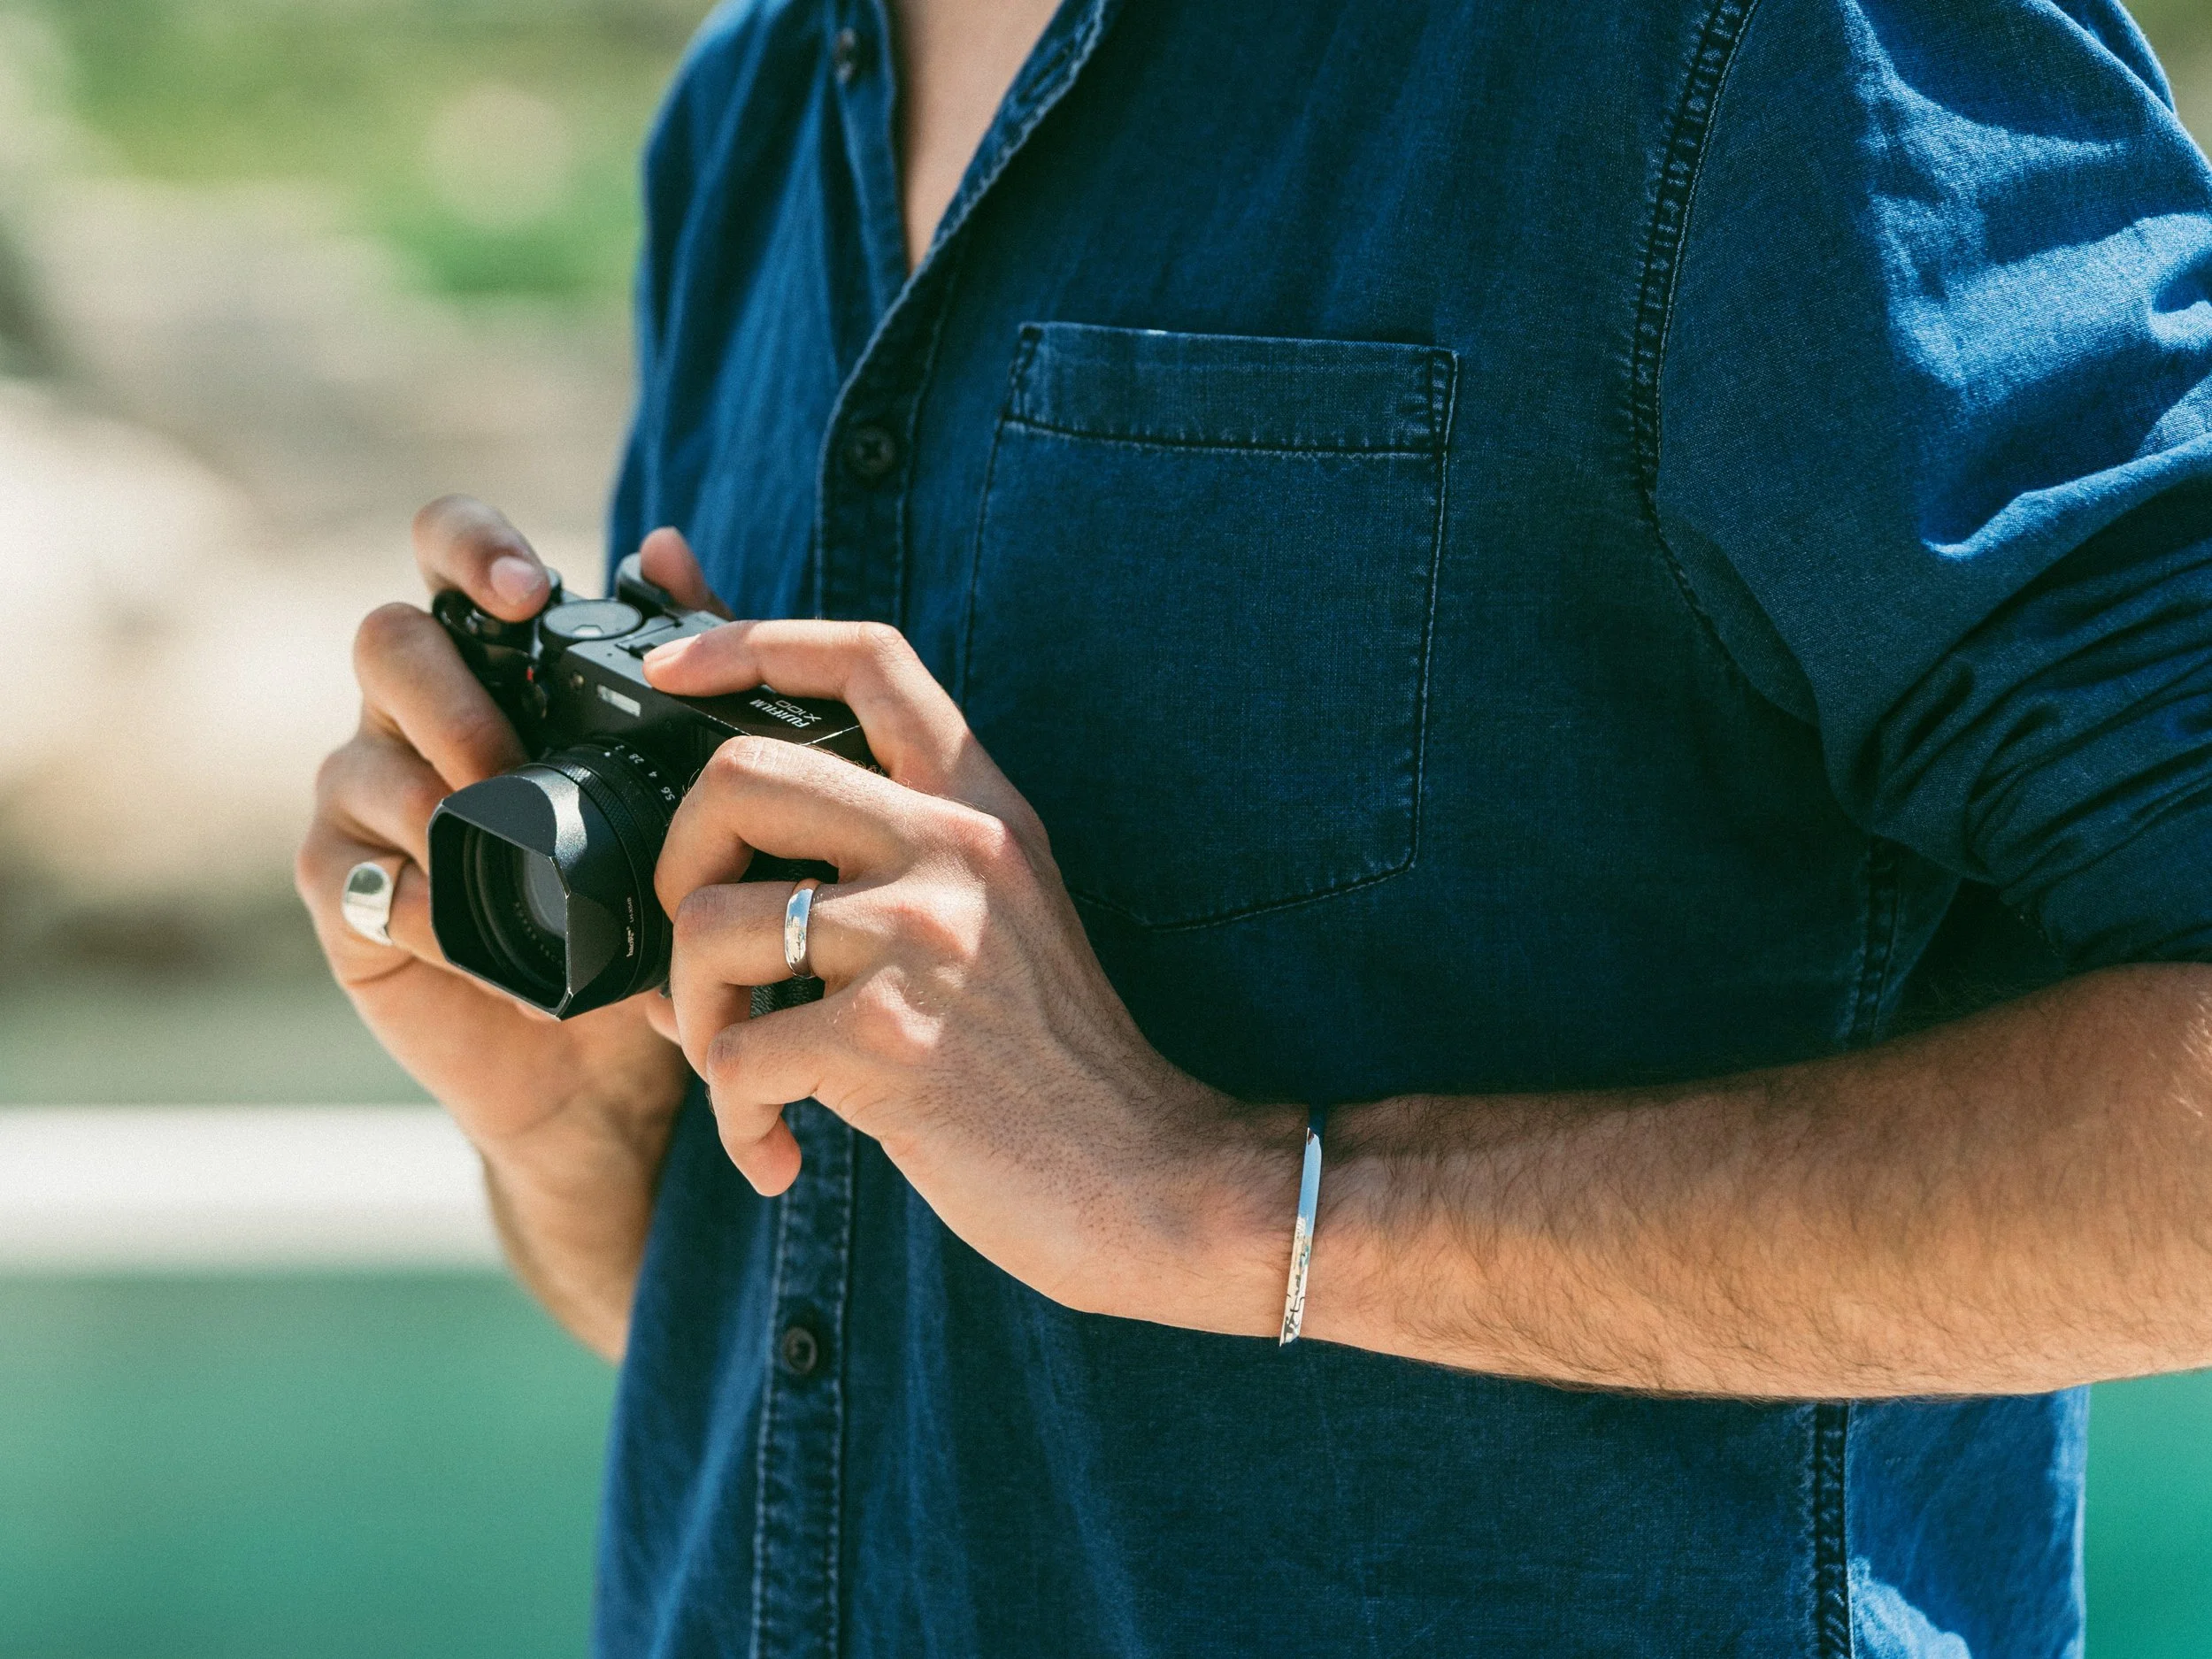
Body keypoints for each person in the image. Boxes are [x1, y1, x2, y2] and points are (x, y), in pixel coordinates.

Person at [296, 0, 2212, 1651]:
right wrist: (565, 1130)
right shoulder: (756, 97)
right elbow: (845, 1341)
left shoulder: (1753, 47)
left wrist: (1232, 1197)